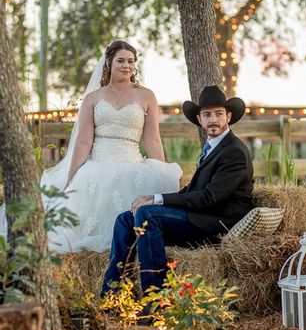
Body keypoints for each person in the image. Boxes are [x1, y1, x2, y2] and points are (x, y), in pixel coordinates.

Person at [101, 84, 254, 295]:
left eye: (219, 114)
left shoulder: (234, 151)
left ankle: (155, 297)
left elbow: (210, 198)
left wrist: (156, 199)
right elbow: (194, 191)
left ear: (228, 116)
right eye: (207, 114)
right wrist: (158, 199)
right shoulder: (212, 147)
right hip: (199, 216)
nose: (213, 120)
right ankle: (112, 293)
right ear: (199, 120)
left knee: (147, 215)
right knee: (125, 219)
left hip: (216, 224)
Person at [39, 41, 182, 252]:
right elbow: (83, 141)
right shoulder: (93, 98)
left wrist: (160, 171)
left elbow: (152, 140)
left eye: (131, 61)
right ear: (109, 63)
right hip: (97, 163)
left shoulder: (146, 95)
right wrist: (72, 175)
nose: (126, 65)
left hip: (131, 162)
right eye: (121, 60)